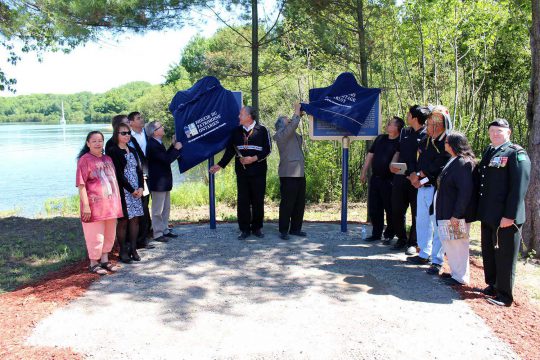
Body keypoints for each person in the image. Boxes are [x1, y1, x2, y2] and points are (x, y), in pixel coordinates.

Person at [476, 119, 531, 307]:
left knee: (505, 256)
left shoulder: (516, 153)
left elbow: (519, 187)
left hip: (506, 217)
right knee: (489, 252)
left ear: (509, 132)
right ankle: (493, 285)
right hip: (488, 213)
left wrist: (510, 215)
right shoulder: (489, 151)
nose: (495, 134)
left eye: (499, 131)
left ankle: (505, 295)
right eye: (492, 131)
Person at [210, 106, 272, 240]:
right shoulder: (236, 132)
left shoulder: (262, 130)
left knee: (258, 200)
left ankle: (257, 228)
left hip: (258, 172)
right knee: (243, 201)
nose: (239, 117)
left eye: (241, 114)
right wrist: (220, 165)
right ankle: (244, 229)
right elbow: (230, 151)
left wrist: (253, 159)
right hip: (242, 173)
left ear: (249, 116)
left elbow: (268, 150)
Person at [407, 105, 451, 276]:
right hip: (422, 185)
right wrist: (415, 176)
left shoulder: (447, 141)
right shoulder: (426, 139)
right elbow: (420, 161)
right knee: (422, 221)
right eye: (430, 122)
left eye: (436, 122)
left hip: (437, 188)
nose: (431, 126)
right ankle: (424, 253)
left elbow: (440, 165)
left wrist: (421, 176)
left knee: (436, 224)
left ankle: (437, 260)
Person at [76, 131, 123, 275]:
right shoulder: (85, 160)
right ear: (88, 143)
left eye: (100, 141)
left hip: (111, 205)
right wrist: (85, 205)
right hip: (94, 206)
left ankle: (105, 260)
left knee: (109, 234)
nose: (98, 143)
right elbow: (81, 184)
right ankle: (93, 263)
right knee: (95, 235)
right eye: (94, 141)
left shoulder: (107, 159)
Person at [434, 131, 477, 286]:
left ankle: (461, 277)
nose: (444, 144)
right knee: (450, 243)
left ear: (453, 145)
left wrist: (457, 215)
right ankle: (455, 272)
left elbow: (465, 191)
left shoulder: (463, 163)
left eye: (446, 142)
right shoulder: (454, 160)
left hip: (456, 213)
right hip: (447, 210)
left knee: (458, 244)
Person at [389, 105, 429, 254]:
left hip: (416, 179)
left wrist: (417, 176)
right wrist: (392, 163)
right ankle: (401, 238)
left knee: (416, 212)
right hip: (400, 176)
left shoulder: (426, 135)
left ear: (415, 118)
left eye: (409, 114)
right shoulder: (405, 132)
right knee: (397, 209)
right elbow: (398, 150)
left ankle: (413, 242)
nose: (406, 116)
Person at [106, 123, 145, 263]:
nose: (127, 135)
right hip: (123, 190)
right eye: (123, 133)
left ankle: (133, 249)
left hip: (136, 190)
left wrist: (141, 187)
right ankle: (123, 251)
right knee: (123, 221)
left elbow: (139, 171)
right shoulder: (113, 151)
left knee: (135, 220)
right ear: (116, 134)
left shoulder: (133, 151)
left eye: (128, 132)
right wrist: (131, 190)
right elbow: (118, 175)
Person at [360, 116, 404, 242]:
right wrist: (363, 172)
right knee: (375, 208)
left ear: (397, 128)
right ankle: (376, 233)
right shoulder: (380, 139)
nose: (387, 125)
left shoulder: (400, 142)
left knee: (390, 208)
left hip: (390, 181)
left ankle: (389, 234)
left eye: (390, 124)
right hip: (375, 178)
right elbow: (370, 156)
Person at [274, 103, 306, 240]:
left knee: (299, 202)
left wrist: (299, 115)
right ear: (281, 124)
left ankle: (296, 229)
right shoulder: (280, 135)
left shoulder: (291, 134)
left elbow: (295, 129)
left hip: (299, 173)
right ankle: (283, 230)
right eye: (287, 119)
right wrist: (296, 112)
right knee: (287, 203)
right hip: (288, 174)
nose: (290, 120)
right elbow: (292, 127)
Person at [146, 120, 182, 242]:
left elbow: (164, 156)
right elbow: (166, 160)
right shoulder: (152, 144)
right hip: (158, 182)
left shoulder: (158, 142)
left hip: (164, 181)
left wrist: (172, 145)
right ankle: (157, 233)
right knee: (157, 210)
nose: (163, 127)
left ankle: (165, 229)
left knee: (166, 208)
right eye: (160, 127)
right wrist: (176, 150)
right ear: (155, 132)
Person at [128, 111, 153, 249]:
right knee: (141, 206)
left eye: (142, 117)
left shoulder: (147, 133)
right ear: (131, 122)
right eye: (138, 118)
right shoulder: (128, 137)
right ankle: (140, 240)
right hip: (138, 176)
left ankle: (148, 233)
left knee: (147, 204)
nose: (141, 120)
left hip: (151, 174)